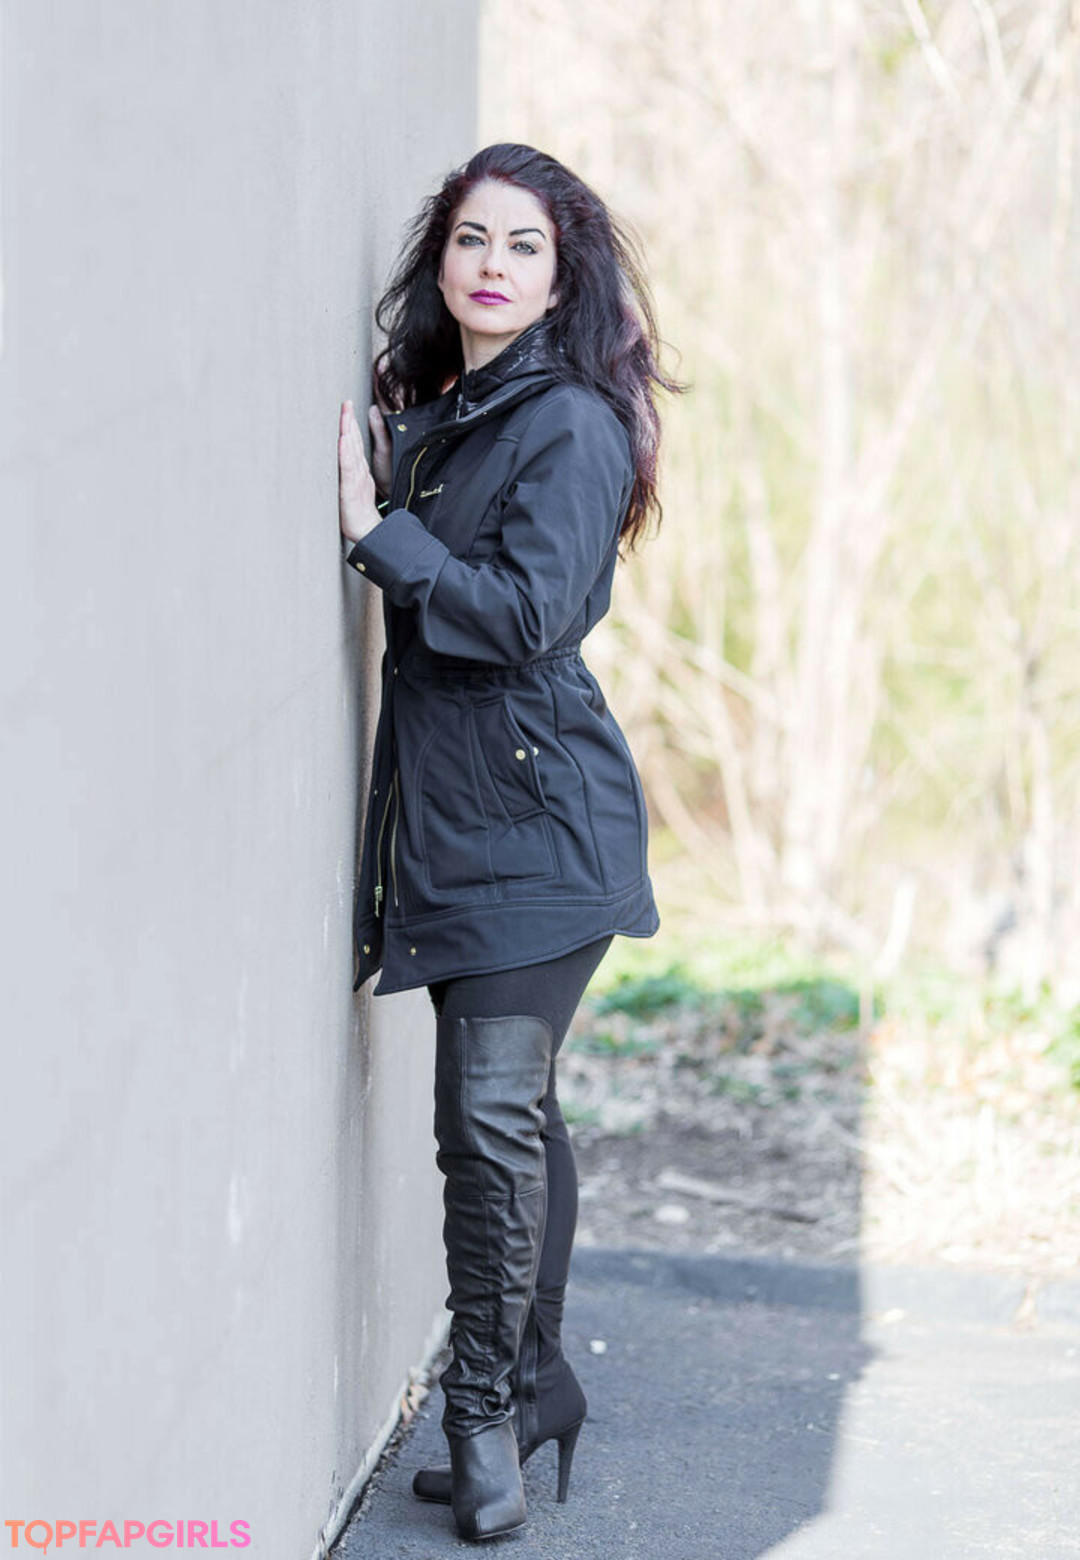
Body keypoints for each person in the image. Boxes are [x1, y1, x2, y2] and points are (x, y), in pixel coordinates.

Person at [337, 142, 678, 1542]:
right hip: (468, 824)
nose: (491, 264)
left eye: (523, 245)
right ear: (443, 263)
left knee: (483, 1126)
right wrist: (397, 456)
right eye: (472, 239)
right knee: (508, 1123)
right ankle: (536, 1386)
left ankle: (480, 1412)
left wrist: (375, 528)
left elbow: (526, 614)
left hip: (540, 829)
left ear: (560, 277)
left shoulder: (572, 424)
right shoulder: (460, 415)